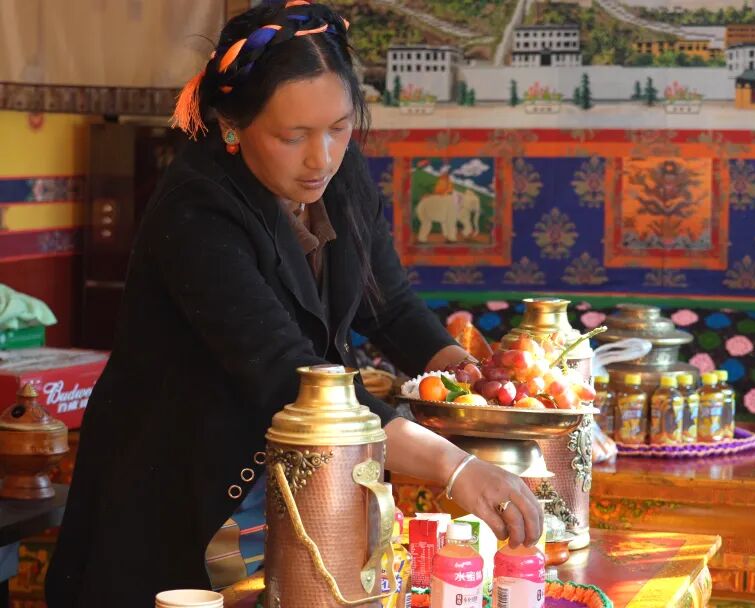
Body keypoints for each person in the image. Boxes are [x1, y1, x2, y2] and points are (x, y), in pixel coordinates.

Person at [46, 3, 541, 605]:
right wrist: (453, 467)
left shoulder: (340, 175)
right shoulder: (197, 209)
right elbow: (289, 377)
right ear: (232, 125)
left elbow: (387, 305)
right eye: (293, 136)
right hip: (183, 494)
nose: (322, 157)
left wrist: (474, 387)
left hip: (297, 483)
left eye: (339, 127)